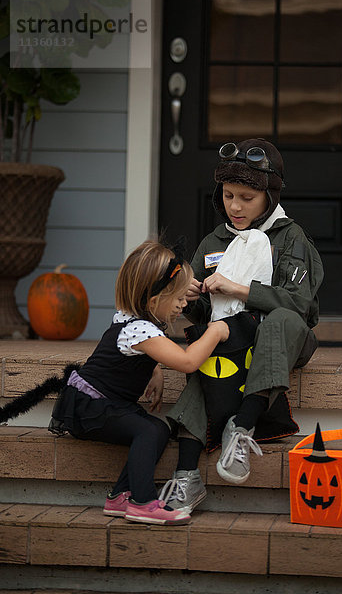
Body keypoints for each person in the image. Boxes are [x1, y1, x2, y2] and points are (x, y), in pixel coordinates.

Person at [160, 138, 324, 514]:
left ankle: (243, 426)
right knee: (209, 352)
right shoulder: (215, 241)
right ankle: (187, 476)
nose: (234, 206)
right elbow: (202, 313)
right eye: (229, 194)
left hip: (283, 338)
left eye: (247, 198)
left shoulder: (290, 238)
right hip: (234, 340)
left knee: (280, 319)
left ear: (269, 194)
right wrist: (189, 298)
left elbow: (303, 307)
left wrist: (239, 288)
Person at [48, 240, 229, 526]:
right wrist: (215, 332)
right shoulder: (139, 328)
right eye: (180, 298)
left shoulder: (134, 321)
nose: (184, 304)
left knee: (158, 427)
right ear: (154, 301)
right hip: (92, 406)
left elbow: (140, 350)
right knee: (147, 430)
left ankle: (120, 496)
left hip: (103, 403)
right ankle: (143, 502)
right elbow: (187, 362)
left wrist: (154, 369)